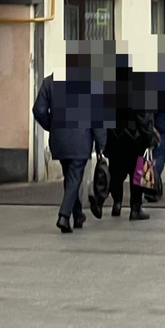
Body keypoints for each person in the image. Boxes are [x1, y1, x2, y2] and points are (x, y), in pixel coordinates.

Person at [33, 56, 108, 234]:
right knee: (74, 178)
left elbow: (39, 110)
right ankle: (64, 216)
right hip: (80, 141)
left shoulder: (49, 82)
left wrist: (51, 126)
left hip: (59, 140)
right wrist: (101, 146)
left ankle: (78, 214)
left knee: (70, 177)